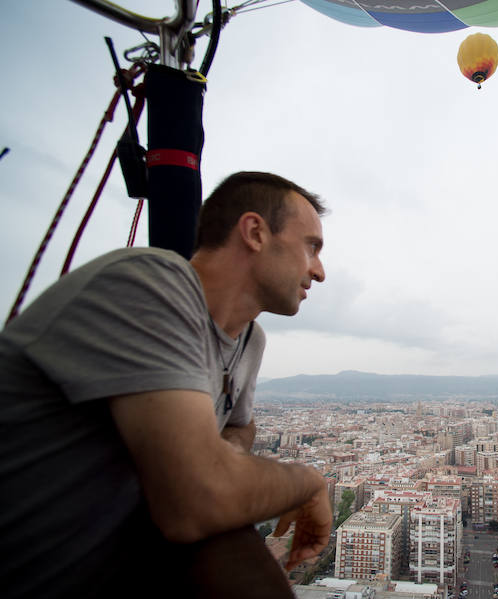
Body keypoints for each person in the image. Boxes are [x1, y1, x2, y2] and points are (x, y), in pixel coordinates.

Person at [0, 171, 331, 598]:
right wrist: (307, 481)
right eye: (312, 247)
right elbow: (195, 501)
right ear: (254, 232)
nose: (319, 271)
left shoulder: (249, 338)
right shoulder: (148, 284)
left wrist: (225, 454)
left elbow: (240, 426)